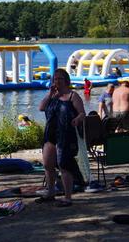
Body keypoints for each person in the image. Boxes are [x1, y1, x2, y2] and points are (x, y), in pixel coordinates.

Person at [37, 68, 86, 207]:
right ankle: (51, 192)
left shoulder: (72, 96)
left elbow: (82, 113)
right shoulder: (52, 96)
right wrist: (50, 93)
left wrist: (77, 119)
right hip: (50, 133)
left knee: (64, 165)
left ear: (66, 81)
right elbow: (41, 108)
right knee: (48, 164)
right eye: (55, 79)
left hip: (66, 134)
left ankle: (67, 197)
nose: (57, 81)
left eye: (60, 79)